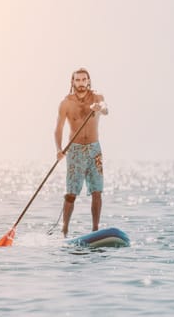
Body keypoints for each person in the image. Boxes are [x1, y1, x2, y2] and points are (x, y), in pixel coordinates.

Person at [54, 68, 108, 237]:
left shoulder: (97, 97)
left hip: (94, 149)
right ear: (73, 82)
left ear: (88, 81)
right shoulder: (66, 103)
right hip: (75, 150)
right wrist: (59, 149)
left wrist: (100, 107)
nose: (81, 83)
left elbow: (106, 109)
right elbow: (58, 128)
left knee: (97, 191)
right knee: (71, 192)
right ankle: (64, 230)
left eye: (84, 79)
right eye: (77, 80)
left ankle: (95, 229)